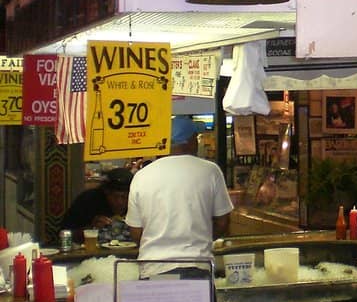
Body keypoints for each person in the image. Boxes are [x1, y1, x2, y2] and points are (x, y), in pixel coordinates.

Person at [126, 115, 234, 278]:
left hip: (154, 268)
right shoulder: (210, 171)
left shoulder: (141, 176)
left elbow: (135, 231)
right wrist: (200, 237)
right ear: (191, 141)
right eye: (196, 138)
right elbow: (223, 222)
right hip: (197, 266)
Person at [61, 167, 134, 244]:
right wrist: (91, 228)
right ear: (105, 192)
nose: (119, 201)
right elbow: (66, 234)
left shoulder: (139, 202)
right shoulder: (89, 200)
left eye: (125, 197)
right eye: (115, 196)